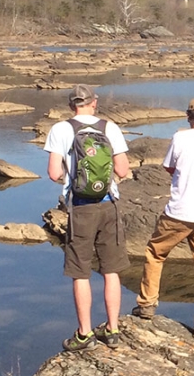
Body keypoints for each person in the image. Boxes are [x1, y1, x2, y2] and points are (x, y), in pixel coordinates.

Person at [132, 97, 194, 340]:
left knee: (155, 253)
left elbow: (169, 166)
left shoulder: (180, 137)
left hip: (178, 213)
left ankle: (147, 304)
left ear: (189, 117)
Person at [45, 84, 131, 352]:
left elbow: (53, 173)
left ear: (72, 105)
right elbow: (123, 169)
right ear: (94, 102)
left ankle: (84, 334)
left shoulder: (62, 129)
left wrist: (75, 179)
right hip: (108, 205)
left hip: (80, 207)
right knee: (111, 270)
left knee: (80, 272)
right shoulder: (109, 127)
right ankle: (113, 329)